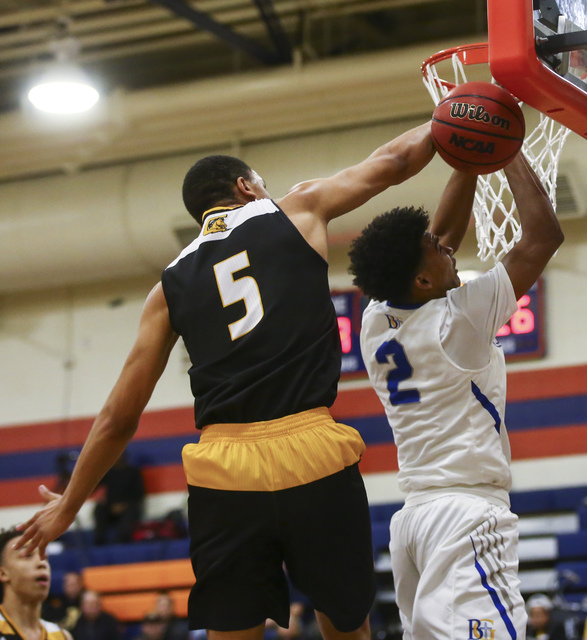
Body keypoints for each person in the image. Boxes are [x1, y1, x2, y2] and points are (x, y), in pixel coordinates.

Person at [15, 121, 436, 640]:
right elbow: (395, 161)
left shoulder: (167, 288)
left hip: (223, 471)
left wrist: (69, 505)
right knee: (348, 628)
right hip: (312, 452)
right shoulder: (295, 209)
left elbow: (118, 418)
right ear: (246, 187)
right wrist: (455, 113)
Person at [348, 152, 564, 640]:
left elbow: (437, 241)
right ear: (422, 282)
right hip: (465, 516)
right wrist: (504, 150)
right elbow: (543, 238)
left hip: (415, 524)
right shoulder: (457, 322)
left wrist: (468, 159)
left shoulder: (376, 321)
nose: (447, 249)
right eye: (435, 251)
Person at [0, 528, 72, 640]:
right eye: (27, 556)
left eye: (45, 558)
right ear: (3, 573)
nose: (41, 563)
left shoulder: (62, 636)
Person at [93, 451, 145, 545]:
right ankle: (99, 539)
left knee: (131, 512)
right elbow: (96, 485)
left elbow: (139, 493)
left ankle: (122, 540)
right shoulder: (109, 472)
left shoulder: (133, 472)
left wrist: (124, 505)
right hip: (111, 506)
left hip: (128, 505)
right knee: (99, 509)